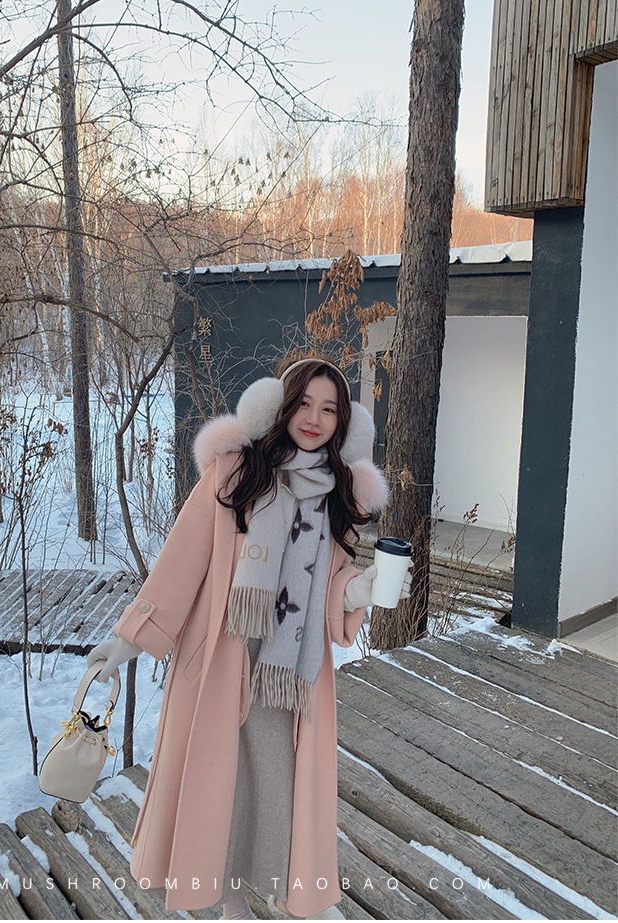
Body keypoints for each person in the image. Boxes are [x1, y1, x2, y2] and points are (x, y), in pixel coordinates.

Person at [87, 357, 411, 919]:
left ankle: (273, 882)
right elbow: (183, 559)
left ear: (343, 422)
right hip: (222, 653)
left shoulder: (339, 494)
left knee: (277, 779)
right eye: (304, 403)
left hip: (289, 667)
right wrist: (130, 638)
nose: (314, 419)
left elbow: (333, 580)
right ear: (281, 405)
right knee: (220, 777)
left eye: (328, 409)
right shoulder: (236, 471)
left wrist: (359, 591)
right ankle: (229, 899)